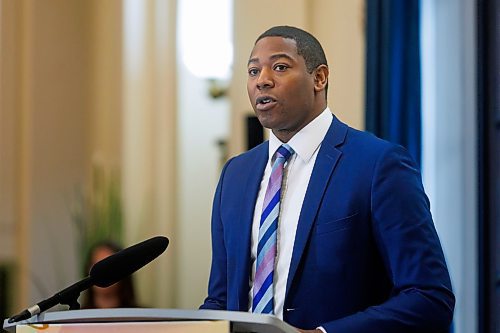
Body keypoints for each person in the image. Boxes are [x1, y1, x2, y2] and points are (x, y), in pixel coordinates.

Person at [200, 26, 455, 332]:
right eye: (253, 71)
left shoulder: (378, 165)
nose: (262, 80)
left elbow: (428, 297)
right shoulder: (235, 175)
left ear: (319, 78)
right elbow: (221, 300)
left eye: (279, 67)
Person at [82, 240, 138, 309]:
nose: (102, 272)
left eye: (110, 267)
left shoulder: (143, 316)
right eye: (97, 266)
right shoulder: (74, 317)